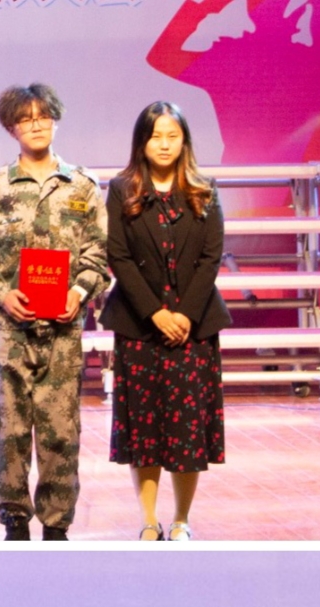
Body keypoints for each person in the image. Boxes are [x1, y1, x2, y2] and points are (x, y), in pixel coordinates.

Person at [0, 83, 107, 542]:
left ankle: (57, 525)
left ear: (55, 120)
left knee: (61, 432)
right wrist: (3, 295)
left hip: (63, 331)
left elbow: (99, 254)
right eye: (25, 119)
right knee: (9, 431)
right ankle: (15, 521)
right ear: (11, 128)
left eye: (43, 116)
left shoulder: (82, 186)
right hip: (10, 330)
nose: (36, 125)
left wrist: (78, 292)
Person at [101, 101, 231, 541]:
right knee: (145, 429)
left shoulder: (204, 190)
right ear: (142, 141)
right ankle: (148, 520)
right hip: (140, 324)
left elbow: (211, 257)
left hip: (193, 327)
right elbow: (118, 255)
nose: (164, 144)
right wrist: (155, 312)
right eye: (156, 136)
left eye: (172, 136)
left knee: (186, 428)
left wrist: (185, 314)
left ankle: (181, 520)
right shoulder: (122, 190)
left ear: (184, 141)